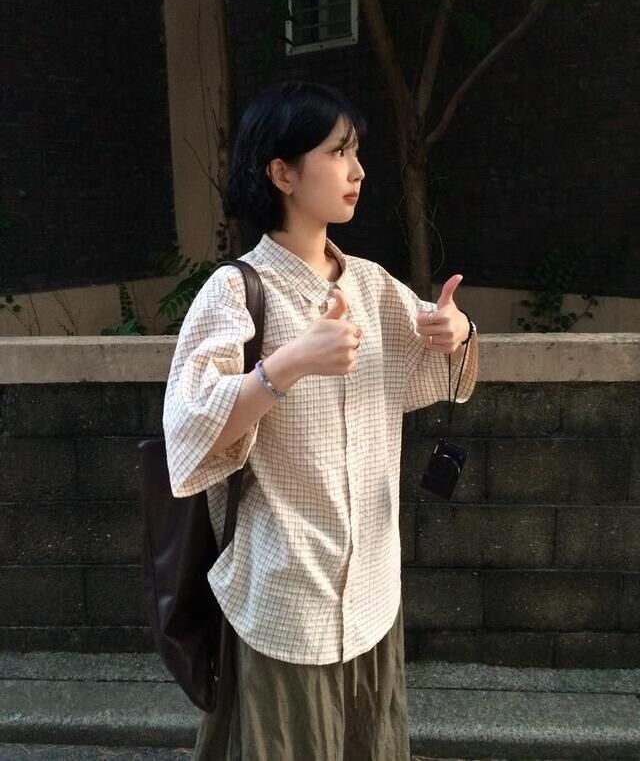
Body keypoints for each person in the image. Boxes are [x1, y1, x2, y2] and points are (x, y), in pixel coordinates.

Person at [163, 81, 479, 760]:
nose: (357, 170)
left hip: (371, 595)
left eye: (355, 151)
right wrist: (287, 364)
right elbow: (189, 429)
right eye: (338, 152)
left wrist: (453, 332)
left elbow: (434, 362)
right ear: (282, 173)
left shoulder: (371, 284)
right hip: (285, 598)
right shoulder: (236, 291)